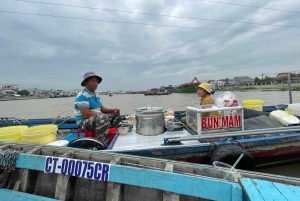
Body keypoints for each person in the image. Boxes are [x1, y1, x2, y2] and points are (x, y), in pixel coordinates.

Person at [74, 72, 121, 143]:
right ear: (85, 82)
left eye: (96, 81)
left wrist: (113, 110)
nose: (95, 83)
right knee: (103, 117)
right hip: (83, 122)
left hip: (96, 117)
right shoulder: (82, 95)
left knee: (115, 114)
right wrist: (100, 114)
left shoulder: (96, 94)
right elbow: (86, 115)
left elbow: (102, 108)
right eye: (92, 81)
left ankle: (111, 136)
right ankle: (101, 143)